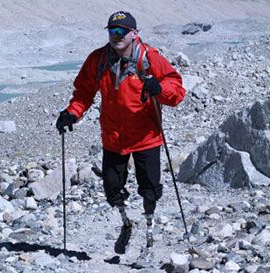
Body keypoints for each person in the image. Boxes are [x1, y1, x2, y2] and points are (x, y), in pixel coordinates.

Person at [56, 11, 185, 254]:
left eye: (121, 32)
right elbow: (84, 92)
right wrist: (72, 113)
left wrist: (159, 88)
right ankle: (127, 223)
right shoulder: (98, 59)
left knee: (150, 189)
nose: (116, 36)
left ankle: (149, 233)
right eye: (112, 31)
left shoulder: (149, 57)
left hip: (146, 136)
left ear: (134, 33)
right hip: (114, 138)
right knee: (112, 188)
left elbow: (176, 90)